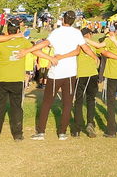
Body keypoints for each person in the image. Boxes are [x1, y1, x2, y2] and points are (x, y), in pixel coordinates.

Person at [30, 10, 86, 140]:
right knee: (67, 104)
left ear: (63, 19)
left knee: (47, 103)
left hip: (56, 72)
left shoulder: (56, 32)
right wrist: (94, 56)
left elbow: (43, 44)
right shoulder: (77, 33)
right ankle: (62, 133)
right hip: (71, 73)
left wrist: (30, 50)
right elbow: (82, 49)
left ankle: (41, 132)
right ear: (74, 21)